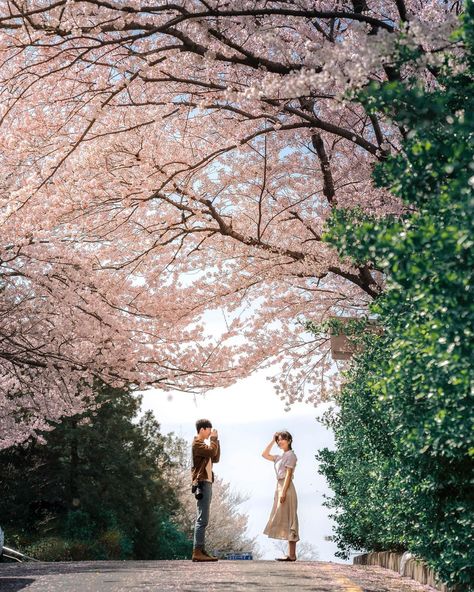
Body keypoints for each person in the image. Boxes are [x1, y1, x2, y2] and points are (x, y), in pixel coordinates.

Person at [262, 430, 299, 561]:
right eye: (278, 440)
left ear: (289, 440)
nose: (280, 441)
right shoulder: (279, 457)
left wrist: (283, 491)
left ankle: (292, 555)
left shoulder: (291, 455)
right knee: (281, 517)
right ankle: (291, 555)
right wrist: (273, 439)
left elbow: (289, 474)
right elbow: (264, 454)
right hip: (279, 487)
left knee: (290, 518)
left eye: (282, 439)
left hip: (286, 487)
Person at [191, 418, 221, 562]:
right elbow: (211, 452)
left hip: (207, 481)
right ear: (202, 429)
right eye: (209, 429)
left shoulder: (204, 445)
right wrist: (214, 439)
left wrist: (217, 441)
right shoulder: (197, 443)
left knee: (204, 518)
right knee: (202, 518)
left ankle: (201, 550)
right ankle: (197, 551)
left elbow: (215, 458)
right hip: (202, 482)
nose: (210, 432)